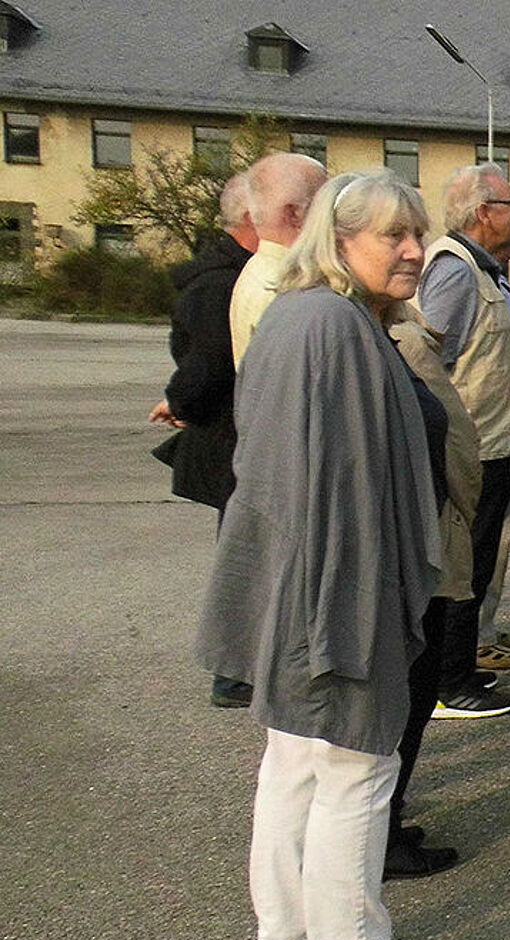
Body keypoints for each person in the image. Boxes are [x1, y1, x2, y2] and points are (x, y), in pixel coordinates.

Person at [196, 169, 452, 940]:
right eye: (392, 235)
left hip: (299, 583)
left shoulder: (303, 313)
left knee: (297, 761)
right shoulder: (336, 328)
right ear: (338, 241)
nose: (413, 250)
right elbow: (340, 487)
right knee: (356, 765)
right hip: (338, 587)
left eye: (417, 233)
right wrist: (355, 611)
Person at [417, 163, 510, 718]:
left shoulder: (483, 270)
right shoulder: (455, 273)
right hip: (472, 448)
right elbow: (427, 359)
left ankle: (457, 665)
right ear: (484, 212)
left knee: (478, 564)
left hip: (492, 443)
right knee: (462, 567)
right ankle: (449, 682)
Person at [148, 172, 257, 708]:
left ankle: (241, 667)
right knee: (244, 558)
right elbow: (209, 361)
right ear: (252, 218)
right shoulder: (221, 284)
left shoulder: (237, 275)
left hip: (234, 434)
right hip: (229, 438)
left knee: (249, 554)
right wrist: (180, 401)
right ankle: (232, 675)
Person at [381, 304, 482, 879]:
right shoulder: (402, 343)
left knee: (412, 693)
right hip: (422, 540)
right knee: (410, 691)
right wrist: (462, 520)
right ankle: (382, 827)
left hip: (419, 538)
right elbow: (456, 445)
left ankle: (385, 816)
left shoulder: (390, 336)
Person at [230, 152, 327, 367]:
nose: (333, 215)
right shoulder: (288, 286)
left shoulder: (258, 270)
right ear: (294, 214)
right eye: (325, 203)